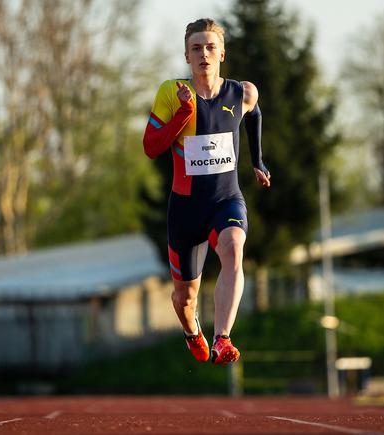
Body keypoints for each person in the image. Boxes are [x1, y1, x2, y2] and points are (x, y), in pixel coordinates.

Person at [142, 18, 270, 365]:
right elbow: (151, 147)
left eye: (210, 47)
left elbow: (254, 112)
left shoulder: (241, 92)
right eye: (196, 48)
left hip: (225, 199)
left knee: (233, 247)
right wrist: (183, 113)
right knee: (185, 299)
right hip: (184, 210)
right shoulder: (172, 92)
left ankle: (223, 338)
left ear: (222, 54)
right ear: (186, 55)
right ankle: (192, 332)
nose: (203, 54)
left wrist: (258, 160)